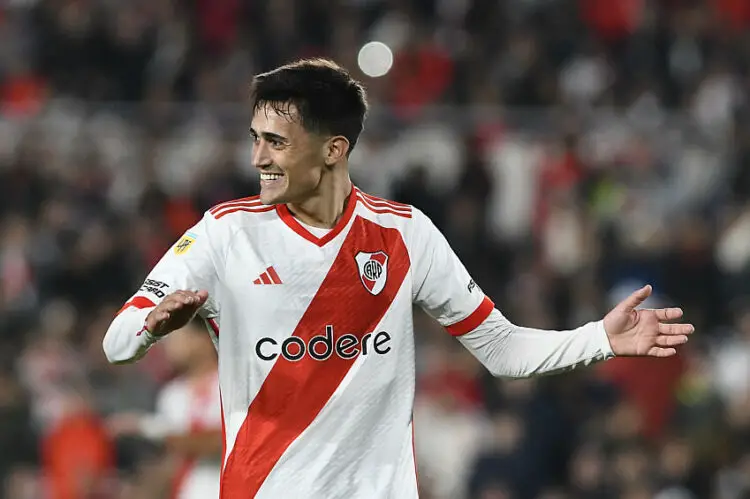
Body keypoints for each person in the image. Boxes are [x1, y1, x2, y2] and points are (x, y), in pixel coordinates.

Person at [102, 58, 694, 499]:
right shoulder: (225, 233)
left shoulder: (405, 235)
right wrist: (151, 327)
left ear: (333, 149)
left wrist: (600, 339)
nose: (258, 157)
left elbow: (501, 348)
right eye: (254, 138)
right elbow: (117, 341)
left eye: (276, 141)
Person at [107, 319, 221, 499]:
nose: (169, 345)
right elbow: (172, 462)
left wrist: (145, 426)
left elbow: (222, 441)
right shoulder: (172, 395)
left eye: (176, 336)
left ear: (203, 338)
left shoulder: (231, 387)